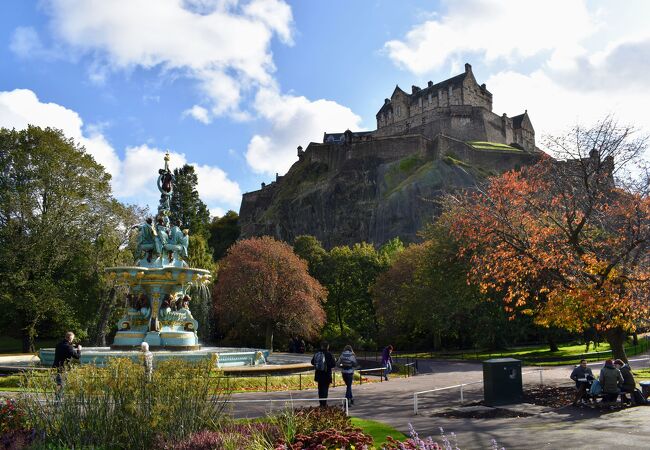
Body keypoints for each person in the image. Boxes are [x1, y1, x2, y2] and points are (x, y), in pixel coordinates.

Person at [311, 342, 336, 407]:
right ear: (327, 347)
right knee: (325, 389)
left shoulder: (317, 354)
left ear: (321, 346)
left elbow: (312, 362)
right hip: (326, 374)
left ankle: (321, 403)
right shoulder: (329, 354)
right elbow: (333, 364)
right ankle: (324, 403)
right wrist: (327, 365)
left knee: (320, 389)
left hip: (319, 374)